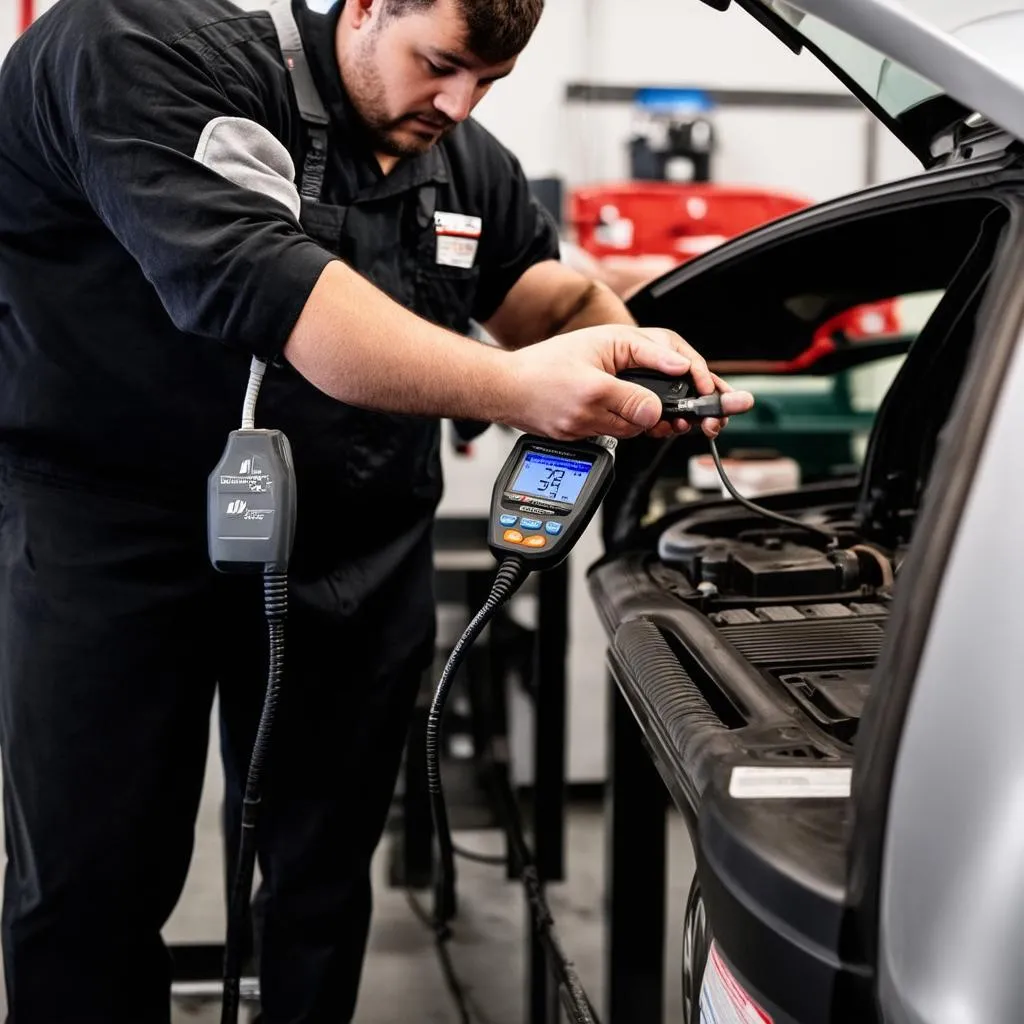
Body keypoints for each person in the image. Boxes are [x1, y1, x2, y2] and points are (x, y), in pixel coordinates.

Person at [0, 0, 753, 1020]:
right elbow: (287, 300)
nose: (459, 102)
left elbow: (548, 301)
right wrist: (516, 388)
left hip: (355, 550)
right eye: (440, 64)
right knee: (91, 879)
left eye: (489, 81)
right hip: (108, 539)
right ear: (360, 7)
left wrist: (626, 354)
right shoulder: (137, 52)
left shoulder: (458, 158)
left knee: (319, 876)